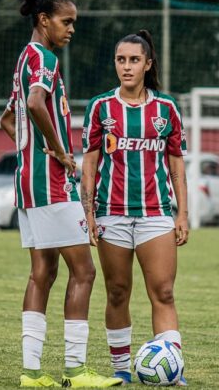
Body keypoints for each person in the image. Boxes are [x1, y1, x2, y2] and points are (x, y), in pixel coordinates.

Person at [0, 0, 122, 388]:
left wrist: (30, 152)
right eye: (66, 21)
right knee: (84, 272)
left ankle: (31, 373)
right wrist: (55, 149)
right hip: (52, 185)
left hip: (28, 184)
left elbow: (7, 119)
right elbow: (35, 104)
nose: (71, 29)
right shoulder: (45, 59)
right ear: (43, 20)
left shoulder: (24, 58)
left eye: (73, 23)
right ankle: (75, 370)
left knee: (41, 274)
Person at [80, 29, 189, 386]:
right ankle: (122, 370)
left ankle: (173, 369)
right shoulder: (100, 107)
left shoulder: (166, 108)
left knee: (164, 291)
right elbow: (91, 165)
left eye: (134, 60)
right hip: (111, 212)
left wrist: (182, 214)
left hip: (156, 213)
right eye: (121, 60)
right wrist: (89, 214)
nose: (126, 67)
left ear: (147, 64)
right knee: (117, 291)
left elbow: (176, 167)